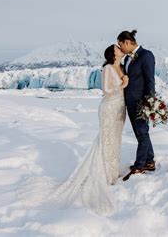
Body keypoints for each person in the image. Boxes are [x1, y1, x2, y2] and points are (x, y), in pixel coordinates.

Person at [16, 44, 129, 214]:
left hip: (120, 108)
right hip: (109, 108)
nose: (121, 49)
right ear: (112, 53)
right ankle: (106, 174)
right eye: (117, 48)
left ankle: (112, 171)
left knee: (116, 140)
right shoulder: (107, 68)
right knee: (106, 139)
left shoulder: (120, 66)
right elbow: (106, 91)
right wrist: (122, 84)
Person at [117, 30, 156, 181]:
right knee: (140, 133)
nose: (120, 48)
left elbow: (150, 80)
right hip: (130, 102)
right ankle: (150, 161)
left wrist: (149, 101)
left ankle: (140, 165)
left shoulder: (146, 55)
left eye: (121, 45)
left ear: (127, 42)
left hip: (141, 102)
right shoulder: (127, 58)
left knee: (142, 133)